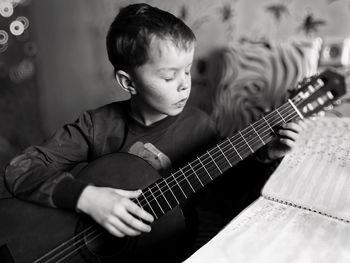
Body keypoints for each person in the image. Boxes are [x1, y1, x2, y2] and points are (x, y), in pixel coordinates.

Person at [3, 3, 303, 262]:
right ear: (128, 82)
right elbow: (21, 169)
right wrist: (88, 198)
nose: (184, 84)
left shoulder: (199, 126)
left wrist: (265, 154)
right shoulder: (98, 125)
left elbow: (229, 194)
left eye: (187, 70)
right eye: (169, 76)